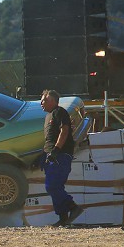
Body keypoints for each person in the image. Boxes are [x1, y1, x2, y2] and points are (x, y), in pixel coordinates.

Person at [40, 89, 83, 227]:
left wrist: (56, 150)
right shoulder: (48, 116)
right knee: (55, 186)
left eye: (44, 100)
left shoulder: (59, 112)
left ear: (53, 101)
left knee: (52, 186)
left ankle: (73, 207)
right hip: (51, 156)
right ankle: (63, 218)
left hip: (60, 155)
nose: (41, 103)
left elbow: (64, 131)